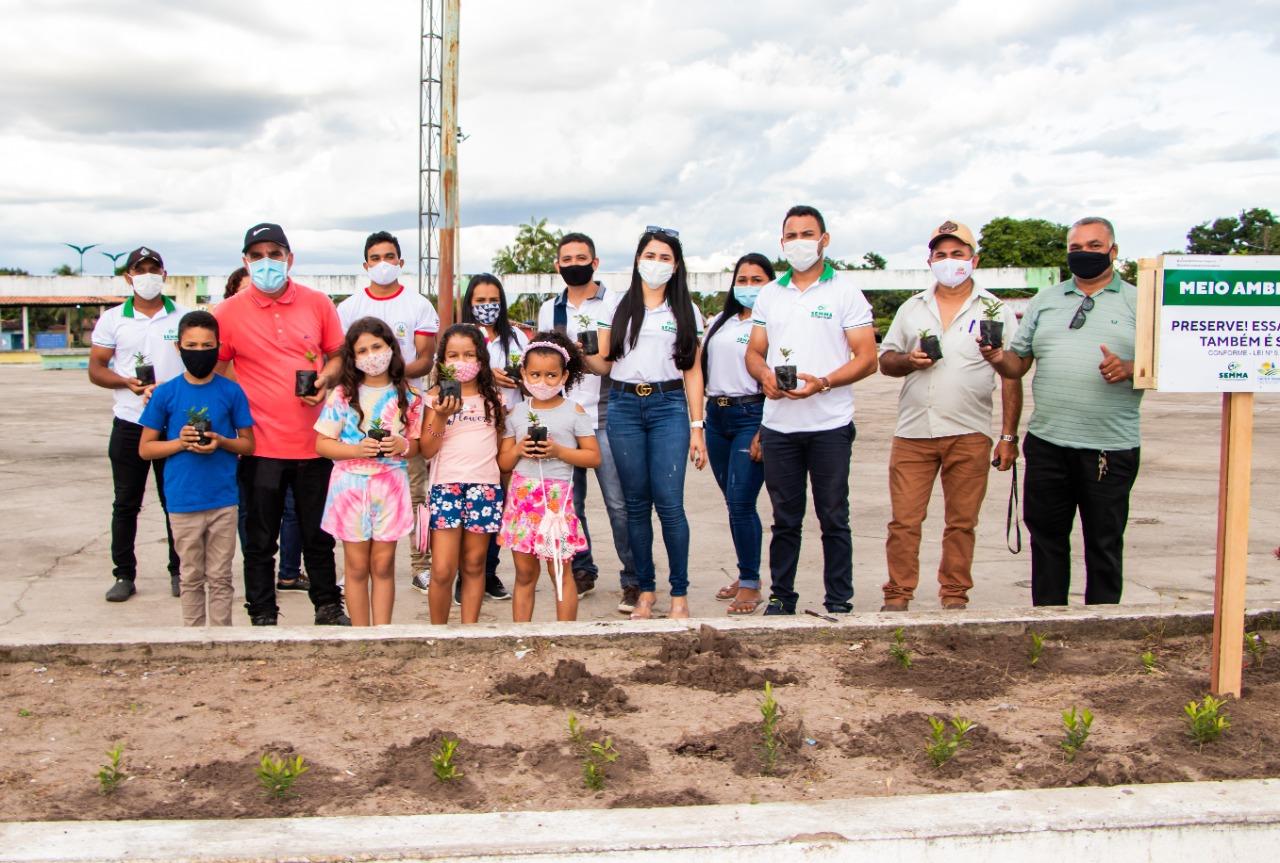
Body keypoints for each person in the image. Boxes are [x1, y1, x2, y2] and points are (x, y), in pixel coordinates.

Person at [980, 216, 1143, 606]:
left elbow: (1169, 364)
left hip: (1109, 448)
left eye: (1094, 247)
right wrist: (999, 358)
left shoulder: (1141, 302)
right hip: (1048, 443)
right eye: (1075, 248)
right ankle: (1048, 623)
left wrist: (1132, 369)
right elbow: (1018, 366)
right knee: (1047, 538)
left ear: (1114, 252)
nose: (1083, 254)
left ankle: (1102, 625)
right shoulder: (1046, 301)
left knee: (1103, 543)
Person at [877, 221, 1022, 611]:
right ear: (930, 260)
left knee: (961, 522)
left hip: (969, 431)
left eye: (958, 254)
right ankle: (898, 594)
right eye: (941, 255)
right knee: (904, 521)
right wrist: (909, 360)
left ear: (973, 260)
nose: (949, 262)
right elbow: (886, 360)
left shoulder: (995, 310)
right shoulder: (912, 308)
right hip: (913, 432)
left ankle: (954, 594)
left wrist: (1008, 437)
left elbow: (1011, 375)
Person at [213, 223, 349, 626]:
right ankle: (262, 613)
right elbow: (216, 370)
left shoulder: (318, 303)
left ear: (290, 258)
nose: (266, 262)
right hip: (259, 447)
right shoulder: (228, 312)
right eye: (256, 255)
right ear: (245, 262)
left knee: (318, 538)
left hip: (315, 445)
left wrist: (325, 379)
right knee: (258, 541)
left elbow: (338, 355)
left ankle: (327, 606)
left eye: (274, 253)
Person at [745, 205, 878, 616]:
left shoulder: (844, 292)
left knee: (833, 516)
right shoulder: (770, 293)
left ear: (824, 240)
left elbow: (867, 357)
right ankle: (782, 596)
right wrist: (764, 374)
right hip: (780, 426)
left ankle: (839, 599)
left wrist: (824, 382)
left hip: (829, 424)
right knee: (785, 518)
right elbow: (754, 351)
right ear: (782, 242)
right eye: (791, 235)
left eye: (808, 233)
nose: (799, 241)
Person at [585, 227, 707, 620]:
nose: (656, 264)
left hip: (669, 407)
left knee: (670, 504)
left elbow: (693, 373)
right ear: (638, 260)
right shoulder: (615, 307)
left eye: (665, 258)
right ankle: (647, 592)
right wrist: (578, 354)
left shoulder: (686, 311)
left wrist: (697, 427)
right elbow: (604, 363)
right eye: (650, 256)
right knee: (635, 505)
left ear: (676, 266)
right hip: (622, 406)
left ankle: (680, 595)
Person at [538, 232, 638, 611]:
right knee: (569, 504)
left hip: (607, 414)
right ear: (558, 265)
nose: (574, 264)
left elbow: (619, 359)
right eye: (567, 258)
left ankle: (634, 577)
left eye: (582, 257)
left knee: (619, 502)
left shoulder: (616, 304)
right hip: (564, 419)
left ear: (595, 263)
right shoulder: (551, 310)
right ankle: (582, 569)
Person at [335, 231, 439, 593]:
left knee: (413, 489)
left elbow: (425, 360)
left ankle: (420, 564)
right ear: (365, 265)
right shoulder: (347, 308)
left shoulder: (419, 305)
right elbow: (342, 358)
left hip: (403, 407)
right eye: (375, 258)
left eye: (389, 256)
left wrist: (390, 373)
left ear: (401, 262)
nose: (383, 263)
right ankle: (353, 563)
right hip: (357, 411)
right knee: (355, 484)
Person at [138, 311, 255, 625]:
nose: (199, 352)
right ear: (178, 347)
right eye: (192, 345)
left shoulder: (231, 391)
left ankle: (221, 636)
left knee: (221, 576)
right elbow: (146, 448)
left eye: (207, 345)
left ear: (218, 346)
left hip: (223, 499)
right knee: (190, 575)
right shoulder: (165, 393)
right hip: (182, 501)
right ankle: (191, 636)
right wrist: (180, 442)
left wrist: (222, 440)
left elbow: (248, 444)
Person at [88, 246, 188, 602]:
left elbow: (200, 362)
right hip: (130, 421)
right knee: (126, 502)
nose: (147, 275)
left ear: (164, 273)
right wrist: (126, 382)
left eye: (153, 268)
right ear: (129, 277)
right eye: (139, 269)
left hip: (173, 425)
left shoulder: (184, 317)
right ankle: (124, 574)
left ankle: (180, 571)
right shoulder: (113, 319)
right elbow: (96, 369)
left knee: (174, 500)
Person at [315, 317, 424, 626]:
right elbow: (322, 444)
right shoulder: (342, 395)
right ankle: (359, 634)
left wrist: (402, 444)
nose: (371, 355)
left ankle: (382, 632)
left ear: (391, 347)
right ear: (353, 357)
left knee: (383, 564)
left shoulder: (410, 397)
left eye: (377, 346)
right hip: (350, 487)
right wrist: (355, 450)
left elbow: (416, 446)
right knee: (356, 566)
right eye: (362, 350)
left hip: (391, 486)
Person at [497, 332, 600, 621]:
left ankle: (565, 633)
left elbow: (593, 457)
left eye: (552, 375)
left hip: (557, 503)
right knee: (525, 573)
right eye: (536, 374)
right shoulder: (516, 413)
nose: (543, 382)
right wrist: (518, 449)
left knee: (560, 570)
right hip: (522, 500)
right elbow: (504, 463)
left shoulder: (574, 411)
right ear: (523, 374)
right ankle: (522, 635)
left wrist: (558, 451)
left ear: (565, 376)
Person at [225, 265, 305, 592]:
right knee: (254, 514)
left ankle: (289, 571)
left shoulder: (296, 317)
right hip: (251, 439)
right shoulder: (230, 324)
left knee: (293, 509)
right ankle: (258, 575)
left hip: (295, 438)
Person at [420, 324, 505, 624]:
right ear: (442, 360)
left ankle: (470, 631)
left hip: (485, 488)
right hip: (446, 487)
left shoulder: (493, 398)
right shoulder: (434, 397)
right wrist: (441, 416)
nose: (461, 361)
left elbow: (500, 446)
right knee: (443, 568)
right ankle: (438, 631)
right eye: (453, 355)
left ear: (481, 359)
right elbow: (427, 449)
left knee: (474, 563)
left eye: (469, 354)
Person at [704, 253, 774, 615]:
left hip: (752, 413)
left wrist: (765, 427)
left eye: (757, 279)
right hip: (717, 415)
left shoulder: (775, 322)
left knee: (742, 500)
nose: (748, 286)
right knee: (733, 502)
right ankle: (747, 571)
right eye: (742, 279)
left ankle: (750, 583)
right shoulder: (721, 320)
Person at [459, 273, 526, 601]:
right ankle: (465, 572)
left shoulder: (515, 337)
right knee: (473, 499)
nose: (488, 307)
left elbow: (534, 370)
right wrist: (488, 373)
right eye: (480, 301)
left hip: (510, 427)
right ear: (470, 303)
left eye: (493, 300)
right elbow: (445, 373)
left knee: (500, 503)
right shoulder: (462, 336)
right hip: (475, 429)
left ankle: (488, 572)